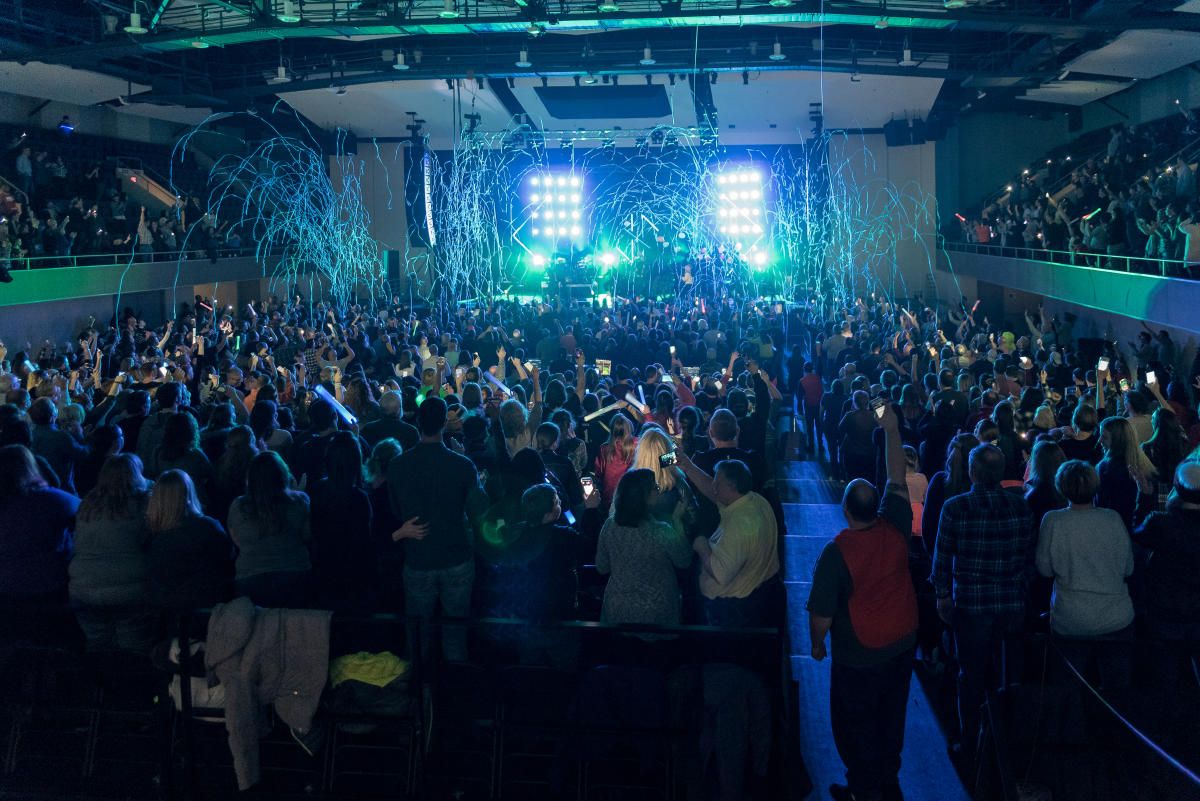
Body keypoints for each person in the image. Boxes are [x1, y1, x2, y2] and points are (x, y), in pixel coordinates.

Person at [806, 403, 915, 801]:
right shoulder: (897, 526)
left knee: (854, 723)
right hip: (902, 641)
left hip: (859, 653)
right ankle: (887, 779)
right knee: (892, 715)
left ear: (845, 510)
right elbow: (898, 478)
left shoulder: (838, 552)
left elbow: (821, 611)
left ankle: (863, 788)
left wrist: (818, 645)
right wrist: (891, 430)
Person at [932, 444, 1034, 763]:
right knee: (1008, 675)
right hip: (1011, 603)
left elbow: (942, 557)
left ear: (973, 472)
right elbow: (1028, 555)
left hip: (972, 604)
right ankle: (1007, 743)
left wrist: (943, 596)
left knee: (971, 675)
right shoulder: (1021, 507)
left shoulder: (956, 507)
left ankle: (970, 743)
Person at [386, 396, 486, 663]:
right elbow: (478, 510)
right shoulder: (463, 465)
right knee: (454, 636)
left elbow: (394, 511)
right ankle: (454, 696)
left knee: (418, 638)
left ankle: (420, 696)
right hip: (456, 557)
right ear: (444, 424)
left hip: (419, 557)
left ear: (418, 423)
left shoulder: (398, 465)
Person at [1036, 460, 1134, 687]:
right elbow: (1128, 567)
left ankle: (1071, 721)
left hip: (1071, 619)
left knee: (1067, 688)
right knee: (1117, 691)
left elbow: (1044, 569)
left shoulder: (1053, 520)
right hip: (1115, 617)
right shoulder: (1112, 518)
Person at [678, 454, 781, 628]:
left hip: (731, 608)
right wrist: (687, 465)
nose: (713, 486)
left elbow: (721, 573)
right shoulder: (755, 501)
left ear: (731, 486)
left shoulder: (740, 524)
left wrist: (701, 545)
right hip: (759, 593)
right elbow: (711, 489)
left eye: (717, 482)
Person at [69, 454, 153, 652]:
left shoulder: (89, 502)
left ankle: (100, 681)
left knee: (98, 646)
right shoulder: (143, 503)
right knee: (134, 648)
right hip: (130, 589)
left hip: (83, 587)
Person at [595, 469, 693, 628]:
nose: (658, 489)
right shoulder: (661, 531)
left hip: (618, 609)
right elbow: (684, 560)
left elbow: (602, 567)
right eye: (655, 488)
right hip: (657, 611)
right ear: (644, 497)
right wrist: (677, 521)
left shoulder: (610, 526)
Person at [1133, 461, 1200, 690]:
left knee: (1166, 676)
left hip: (1166, 608)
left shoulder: (1161, 523)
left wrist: (1145, 498)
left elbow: (1137, 541)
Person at [227, 450, 312, 607]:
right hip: (294, 574)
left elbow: (237, 540)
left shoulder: (238, 506)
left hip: (250, 578)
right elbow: (306, 536)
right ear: (282, 474)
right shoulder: (299, 501)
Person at [145, 469, 233, 611]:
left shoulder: (156, 539)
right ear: (189, 493)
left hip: (169, 608)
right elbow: (227, 559)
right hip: (211, 603)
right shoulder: (210, 527)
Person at [0, 444, 77, 602]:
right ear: (31, 467)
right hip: (50, 584)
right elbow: (87, 510)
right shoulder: (49, 499)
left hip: (7, 587)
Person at [310, 431, 375, 613]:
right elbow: (364, 540)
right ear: (356, 461)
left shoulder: (318, 489)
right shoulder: (359, 497)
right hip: (355, 574)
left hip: (324, 568)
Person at [632, 427, 696, 529]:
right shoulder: (680, 485)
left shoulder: (629, 484)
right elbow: (693, 520)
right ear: (668, 454)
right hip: (674, 540)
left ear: (640, 453)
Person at [29, 396, 88, 495]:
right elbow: (83, 455)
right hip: (63, 489)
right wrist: (80, 436)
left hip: (38, 489)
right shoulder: (61, 436)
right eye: (55, 408)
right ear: (53, 415)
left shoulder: (29, 434)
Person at [593, 411, 637, 509]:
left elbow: (598, 473)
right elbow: (665, 460)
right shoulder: (638, 444)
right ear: (629, 427)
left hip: (609, 497)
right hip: (630, 495)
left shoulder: (604, 448)